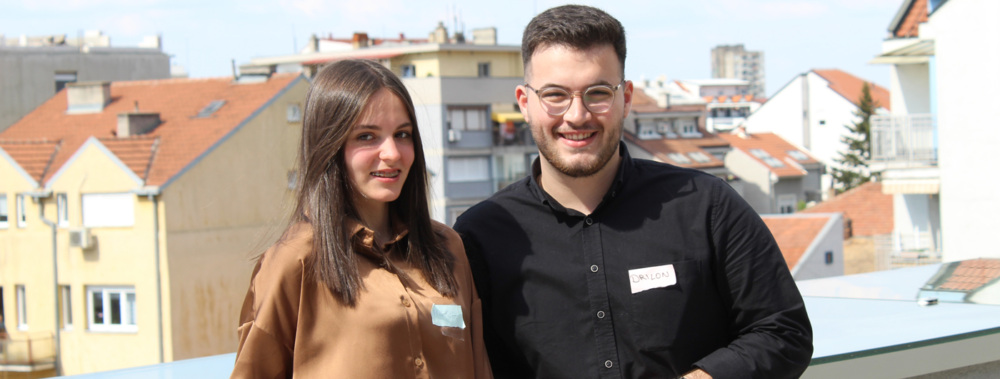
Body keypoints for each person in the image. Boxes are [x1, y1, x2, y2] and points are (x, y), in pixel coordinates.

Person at [454, 5, 812, 379]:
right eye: (555, 95)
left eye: (597, 92)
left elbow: (784, 331)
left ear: (626, 98)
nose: (577, 115)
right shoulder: (480, 235)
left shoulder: (707, 206)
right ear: (525, 103)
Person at [231, 59, 491, 378]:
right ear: (329, 145)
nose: (393, 153)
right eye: (367, 136)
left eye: (403, 134)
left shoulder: (448, 247)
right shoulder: (294, 260)